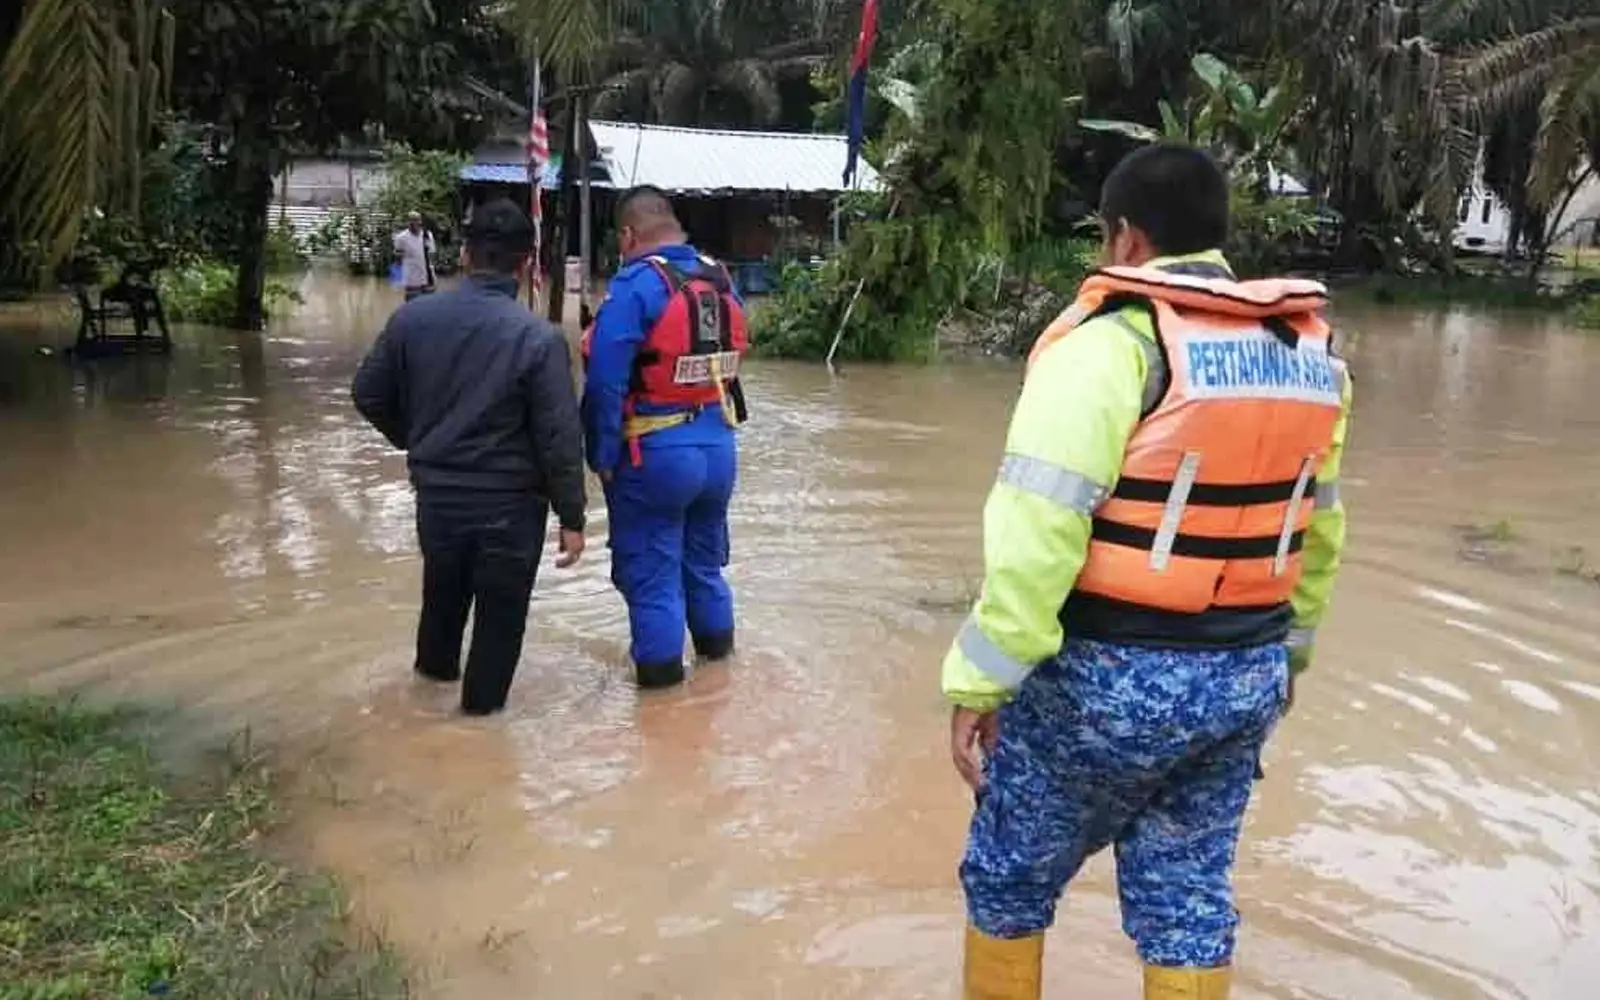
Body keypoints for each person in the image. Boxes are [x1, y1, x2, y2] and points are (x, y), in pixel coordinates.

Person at [945, 144, 1352, 1000]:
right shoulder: (1311, 360)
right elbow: (1320, 531)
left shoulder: (1111, 343)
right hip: (1245, 677)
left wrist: (983, 683)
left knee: (1009, 882)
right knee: (1188, 898)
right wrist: (1289, 664)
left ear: (1125, 237)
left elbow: (1038, 527)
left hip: (1111, 677)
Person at [353, 197, 588, 716]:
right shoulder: (539, 338)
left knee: (441, 604)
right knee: (500, 623)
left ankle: (425, 708)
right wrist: (573, 516)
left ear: (463, 254)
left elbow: (367, 394)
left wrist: (419, 440)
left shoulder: (413, 319)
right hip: (510, 507)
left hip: (437, 499)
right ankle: (478, 733)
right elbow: (558, 437)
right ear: (527, 263)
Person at [581, 186, 749, 690]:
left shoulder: (635, 286)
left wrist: (602, 454)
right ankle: (720, 677)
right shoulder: (720, 280)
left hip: (655, 453)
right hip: (718, 448)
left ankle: (661, 708)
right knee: (703, 566)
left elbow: (605, 381)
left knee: (652, 576)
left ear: (628, 235)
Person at [393, 211, 437, 301]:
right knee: (412, 307)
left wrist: (433, 276)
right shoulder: (401, 238)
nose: (414, 223)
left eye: (416, 220)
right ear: (407, 222)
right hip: (411, 281)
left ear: (420, 221)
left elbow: (432, 255)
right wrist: (396, 281)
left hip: (428, 279)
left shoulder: (427, 235)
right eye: (411, 220)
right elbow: (398, 259)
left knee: (428, 307)